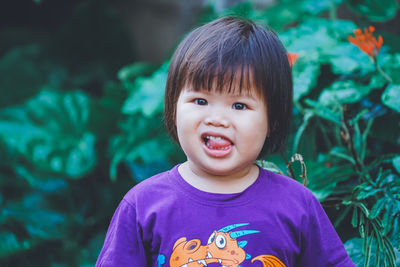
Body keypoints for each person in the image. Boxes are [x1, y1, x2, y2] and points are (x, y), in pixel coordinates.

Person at [96, 16, 355, 267]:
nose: (218, 119)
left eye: (239, 105)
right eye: (200, 101)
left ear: (272, 121)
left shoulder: (297, 205)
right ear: (173, 107)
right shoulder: (144, 205)